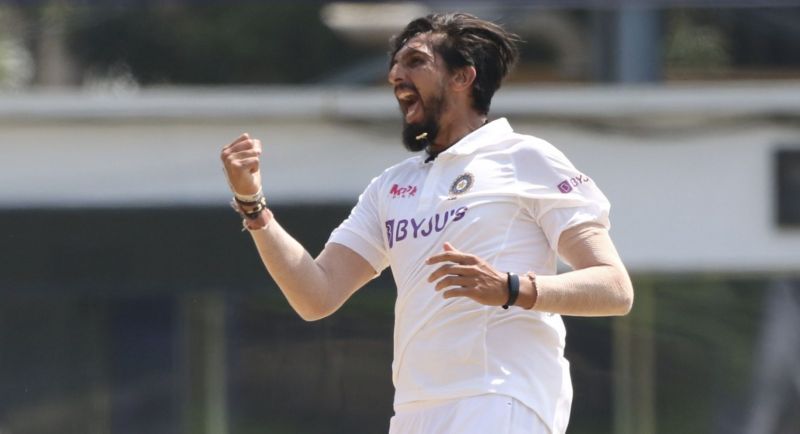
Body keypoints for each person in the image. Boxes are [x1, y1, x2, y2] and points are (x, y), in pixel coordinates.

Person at [221, 12, 633, 434]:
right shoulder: (391, 185)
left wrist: (511, 288)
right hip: (416, 409)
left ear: (463, 77)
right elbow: (316, 295)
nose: (395, 75)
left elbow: (614, 288)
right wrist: (253, 206)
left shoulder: (524, 158)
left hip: (501, 396)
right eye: (395, 66)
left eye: (415, 61)